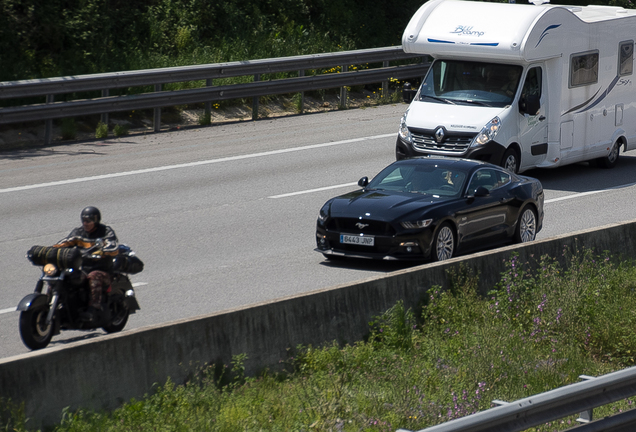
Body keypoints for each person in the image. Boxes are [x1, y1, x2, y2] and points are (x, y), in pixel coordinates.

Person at [53, 206, 118, 323]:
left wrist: (102, 251)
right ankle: (52, 303)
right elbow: (65, 243)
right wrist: (52, 251)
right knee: (60, 275)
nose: (85, 223)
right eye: (83, 220)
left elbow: (113, 246)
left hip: (103, 270)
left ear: (96, 220)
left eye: (89, 220)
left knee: (94, 276)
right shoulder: (78, 233)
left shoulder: (105, 231)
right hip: (83, 269)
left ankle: (93, 308)